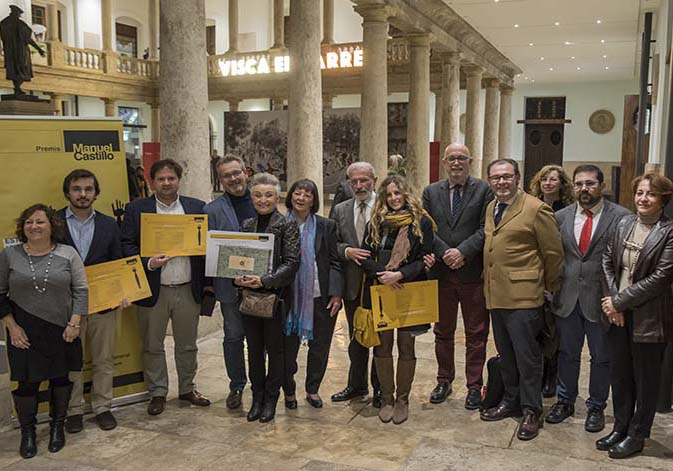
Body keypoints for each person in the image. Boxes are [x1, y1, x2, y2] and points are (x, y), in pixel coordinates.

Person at [480, 159, 563, 441]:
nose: (501, 182)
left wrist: (545, 288)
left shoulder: (537, 209)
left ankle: (531, 410)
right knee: (507, 355)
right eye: (495, 178)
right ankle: (510, 400)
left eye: (506, 177)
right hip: (496, 296)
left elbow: (553, 255)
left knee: (528, 358)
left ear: (517, 178)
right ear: (489, 181)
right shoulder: (492, 208)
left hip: (525, 297)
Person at [121, 159, 210, 416]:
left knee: (187, 344)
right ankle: (158, 392)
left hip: (186, 287)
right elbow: (126, 243)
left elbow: (205, 246)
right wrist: (148, 262)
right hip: (152, 289)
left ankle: (186, 388)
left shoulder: (196, 207)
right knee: (152, 344)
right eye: (161, 179)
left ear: (178, 180)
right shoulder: (137, 209)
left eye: (171, 178)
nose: (167, 183)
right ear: (152, 182)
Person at [545, 165, 630, 434]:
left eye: (590, 183)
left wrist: (618, 299)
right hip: (567, 297)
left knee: (601, 357)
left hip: (602, 300)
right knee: (567, 354)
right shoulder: (560, 216)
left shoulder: (621, 217)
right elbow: (553, 255)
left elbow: (624, 264)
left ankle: (596, 406)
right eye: (579, 183)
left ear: (601, 185)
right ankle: (565, 401)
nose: (584, 188)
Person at [0, 204, 87, 458]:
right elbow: (0, 293)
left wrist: (74, 323)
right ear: (22, 227)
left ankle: (57, 427)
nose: (34, 226)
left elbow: (81, 291)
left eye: (40, 222)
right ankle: (28, 432)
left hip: (63, 329)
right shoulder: (9, 255)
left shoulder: (68, 254)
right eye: (29, 222)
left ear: (52, 226)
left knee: (60, 379)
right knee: (27, 383)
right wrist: (11, 327)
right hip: (23, 332)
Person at [599, 173, 673, 459]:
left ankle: (638, 434)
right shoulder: (623, 223)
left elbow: (661, 277)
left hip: (649, 318)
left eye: (650, 194)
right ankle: (620, 426)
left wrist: (618, 301)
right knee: (620, 375)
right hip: (617, 314)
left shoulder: (668, 232)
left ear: (663, 199)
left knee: (645, 380)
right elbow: (607, 260)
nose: (643, 199)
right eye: (640, 192)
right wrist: (613, 304)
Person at [57, 169, 128, 433]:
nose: (83, 194)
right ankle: (73, 411)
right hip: (67, 307)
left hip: (104, 304)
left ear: (96, 193)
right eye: (77, 189)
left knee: (103, 359)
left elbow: (118, 262)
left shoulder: (109, 224)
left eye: (88, 189)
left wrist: (123, 292)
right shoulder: (52, 222)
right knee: (72, 361)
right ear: (68, 192)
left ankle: (102, 407)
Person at [422, 143, 492, 409]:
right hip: (441, 274)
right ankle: (444, 380)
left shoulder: (483, 190)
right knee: (443, 331)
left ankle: (474, 385)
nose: (456, 163)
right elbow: (426, 226)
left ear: (470, 161)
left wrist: (462, 252)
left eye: (461, 158)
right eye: (451, 158)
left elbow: (486, 227)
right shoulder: (431, 191)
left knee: (476, 333)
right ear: (444, 162)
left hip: (473, 272)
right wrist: (445, 253)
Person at [361, 175, 434, 424]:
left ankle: (403, 399)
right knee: (382, 346)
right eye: (389, 194)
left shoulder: (420, 221)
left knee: (405, 345)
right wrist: (382, 275)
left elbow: (424, 258)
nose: (393, 198)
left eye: (397, 193)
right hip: (381, 291)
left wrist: (400, 274)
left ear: (406, 194)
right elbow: (364, 256)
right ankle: (387, 398)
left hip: (409, 292)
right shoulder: (377, 222)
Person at [235, 172, 300, 423]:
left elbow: (292, 263)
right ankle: (257, 396)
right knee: (253, 350)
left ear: (277, 197)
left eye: (269, 195)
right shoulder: (247, 225)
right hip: (249, 299)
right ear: (252, 197)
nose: (263, 200)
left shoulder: (287, 224)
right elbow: (239, 258)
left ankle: (272, 398)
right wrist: (237, 277)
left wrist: (265, 280)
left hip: (275, 299)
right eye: (258, 195)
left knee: (275, 351)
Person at [282, 178, 344, 409]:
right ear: (290, 196)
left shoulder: (325, 226)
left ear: (313, 200)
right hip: (288, 298)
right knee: (287, 350)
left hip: (321, 296)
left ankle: (312, 389)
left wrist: (336, 293)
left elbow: (335, 262)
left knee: (320, 347)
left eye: (307, 194)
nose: (301, 198)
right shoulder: (279, 224)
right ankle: (288, 391)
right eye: (297, 193)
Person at [203, 154, 256, 410]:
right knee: (233, 337)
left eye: (236, 173)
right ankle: (236, 385)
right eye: (226, 175)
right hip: (229, 286)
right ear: (221, 180)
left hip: (261, 285)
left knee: (261, 339)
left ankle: (262, 385)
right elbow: (207, 249)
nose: (233, 178)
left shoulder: (262, 200)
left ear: (245, 172)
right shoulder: (211, 210)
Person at [330, 162, 381, 407]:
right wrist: (347, 250)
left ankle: (380, 388)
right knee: (356, 337)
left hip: (381, 284)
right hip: (351, 284)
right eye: (354, 182)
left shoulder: (386, 206)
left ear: (374, 180)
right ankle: (356, 385)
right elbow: (331, 244)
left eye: (364, 181)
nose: (359, 186)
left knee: (380, 338)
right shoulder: (340, 209)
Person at [529, 164, 575, 397]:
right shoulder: (530, 206)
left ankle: (551, 375)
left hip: (558, 275)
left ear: (561, 184)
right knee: (536, 328)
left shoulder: (568, 211)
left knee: (553, 330)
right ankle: (538, 373)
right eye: (544, 178)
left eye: (553, 179)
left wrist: (554, 281)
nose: (548, 183)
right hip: (533, 274)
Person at [0, 5, 46, 96]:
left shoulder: (4, 23)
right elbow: (28, 39)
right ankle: (17, 88)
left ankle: (17, 88)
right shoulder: (20, 24)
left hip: (10, 52)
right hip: (20, 51)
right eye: (18, 14)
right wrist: (39, 49)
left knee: (15, 71)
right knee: (22, 70)